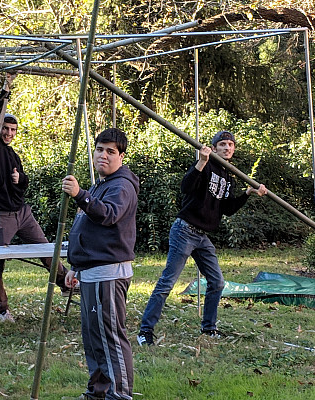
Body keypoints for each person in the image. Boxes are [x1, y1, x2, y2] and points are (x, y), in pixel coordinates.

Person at [137, 130, 268, 345]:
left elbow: (227, 209)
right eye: (223, 144)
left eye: (231, 145)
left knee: (217, 282)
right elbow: (185, 187)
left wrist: (247, 193)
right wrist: (200, 162)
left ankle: (209, 328)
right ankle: (145, 331)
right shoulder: (205, 164)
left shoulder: (228, 175)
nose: (227, 148)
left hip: (202, 237)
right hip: (185, 230)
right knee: (167, 283)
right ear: (214, 147)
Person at [0, 72, 70, 323]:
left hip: (22, 213)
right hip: (0, 216)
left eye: (13, 130)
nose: (9, 133)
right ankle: (1, 310)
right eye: (6, 129)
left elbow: (22, 182)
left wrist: (22, 180)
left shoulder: (13, 153)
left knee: (46, 250)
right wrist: (6, 89)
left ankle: (67, 285)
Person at [62, 128, 139, 400]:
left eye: (110, 151)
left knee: (110, 338)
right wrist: (76, 266)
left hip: (109, 273)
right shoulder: (103, 183)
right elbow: (90, 228)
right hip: (91, 271)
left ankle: (120, 395)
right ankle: (98, 393)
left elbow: (108, 215)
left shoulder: (122, 185)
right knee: (94, 340)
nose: (103, 156)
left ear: (121, 156)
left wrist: (80, 195)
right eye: (99, 149)